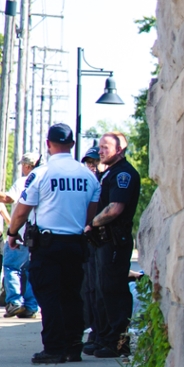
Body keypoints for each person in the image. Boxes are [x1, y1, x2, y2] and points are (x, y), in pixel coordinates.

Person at [6, 124, 100, 365]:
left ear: (48, 145)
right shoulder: (88, 175)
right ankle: (73, 346)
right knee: (72, 296)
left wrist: (12, 232)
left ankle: (54, 348)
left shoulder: (41, 174)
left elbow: (21, 211)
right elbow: (92, 214)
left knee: (48, 297)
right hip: (76, 244)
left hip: (47, 245)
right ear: (72, 145)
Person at [88, 132, 140, 358]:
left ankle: (117, 342)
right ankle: (104, 337)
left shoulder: (123, 174)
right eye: (99, 147)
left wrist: (92, 223)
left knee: (113, 290)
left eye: (105, 147)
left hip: (115, 239)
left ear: (119, 150)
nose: (100, 151)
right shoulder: (109, 173)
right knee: (101, 290)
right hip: (104, 240)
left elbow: (115, 209)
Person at [0, 154, 39, 319]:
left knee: (12, 267)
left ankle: (15, 302)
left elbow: (7, 198)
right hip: (38, 234)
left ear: (27, 166)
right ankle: (31, 306)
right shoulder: (44, 180)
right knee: (30, 270)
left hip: (21, 232)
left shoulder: (24, 181)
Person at [79, 146, 106, 355]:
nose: (91, 166)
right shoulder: (84, 184)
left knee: (100, 288)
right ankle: (93, 330)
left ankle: (101, 333)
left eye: (95, 162)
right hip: (85, 241)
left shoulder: (106, 182)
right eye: (88, 162)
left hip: (102, 240)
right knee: (87, 289)